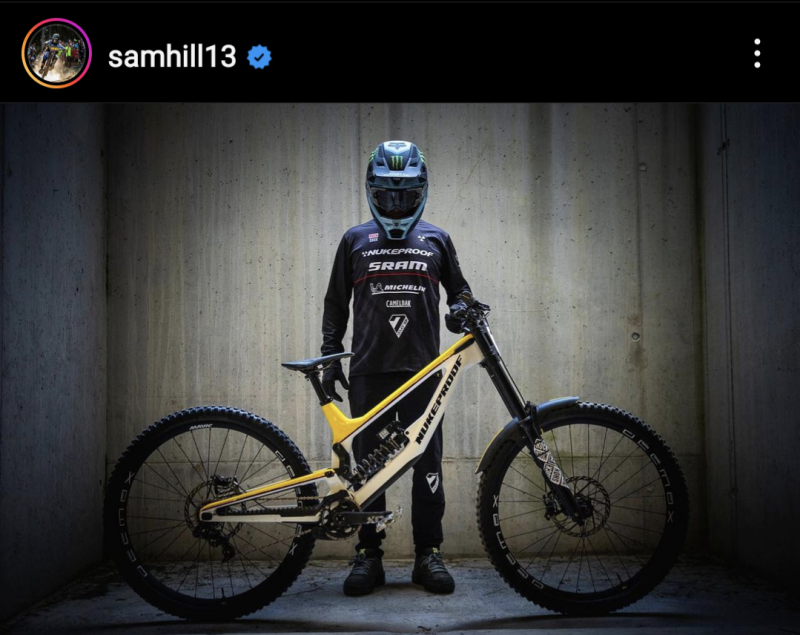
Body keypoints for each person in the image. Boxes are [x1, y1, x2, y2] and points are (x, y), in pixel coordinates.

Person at [320, 140, 471, 597]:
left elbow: (460, 292)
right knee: (369, 471)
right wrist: (330, 356)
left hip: (425, 375)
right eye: (388, 195)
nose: (397, 204)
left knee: (427, 466)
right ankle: (369, 556)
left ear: (422, 191)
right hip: (369, 373)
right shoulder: (354, 240)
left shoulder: (437, 239)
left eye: (407, 195)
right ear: (372, 192)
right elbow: (335, 303)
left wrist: (462, 309)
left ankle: (429, 555)